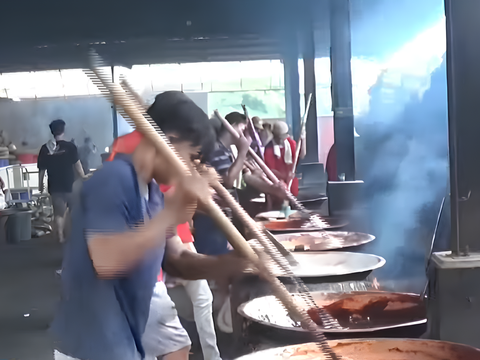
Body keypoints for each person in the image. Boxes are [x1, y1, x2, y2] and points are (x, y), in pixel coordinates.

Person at [50, 91, 244, 360]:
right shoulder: (114, 179)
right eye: (192, 156)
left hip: (124, 339)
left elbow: (176, 260)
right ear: (168, 142)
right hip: (92, 346)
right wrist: (172, 213)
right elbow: (107, 261)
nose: (190, 168)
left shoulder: (152, 193)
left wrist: (237, 263)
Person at [109, 131, 222, 360]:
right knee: (166, 338)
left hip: (171, 239)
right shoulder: (139, 158)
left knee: (200, 300)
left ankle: (212, 356)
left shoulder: (165, 155)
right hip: (138, 266)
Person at [38, 120, 88, 243]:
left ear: (52, 132)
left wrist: (40, 185)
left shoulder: (45, 149)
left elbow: (42, 169)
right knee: (71, 211)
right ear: (63, 130)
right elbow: (77, 164)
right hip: (69, 183)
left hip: (54, 184)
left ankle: (60, 236)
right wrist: (83, 176)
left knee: (58, 212)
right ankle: (72, 236)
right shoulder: (70, 147)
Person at [264, 121, 299, 201]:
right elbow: (270, 170)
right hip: (277, 183)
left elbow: (299, 156)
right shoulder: (269, 148)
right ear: (274, 135)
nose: (282, 139)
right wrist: (284, 176)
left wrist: (303, 140)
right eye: (279, 137)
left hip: (291, 182)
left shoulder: (291, 143)